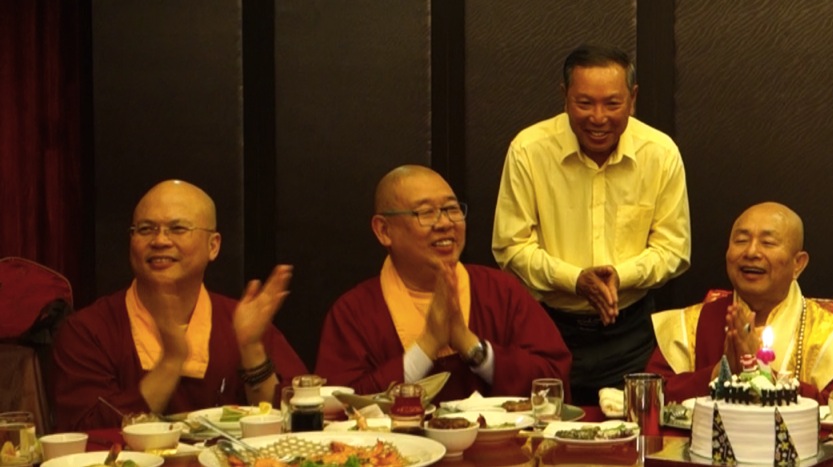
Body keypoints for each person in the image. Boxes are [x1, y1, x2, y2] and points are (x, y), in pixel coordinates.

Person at [492, 44, 691, 403]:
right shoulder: (529, 150)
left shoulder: (660, 153)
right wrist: (574, 280)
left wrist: (620, 276)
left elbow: (674, 249)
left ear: (632, 99)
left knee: (634, 430)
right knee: (545, 431)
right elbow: (510, 247)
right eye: (584, 103)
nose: (598, 118)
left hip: (630, 333)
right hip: (547, 326)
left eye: (612, 104)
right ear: (564, 97)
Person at [53, 180, 306, 431]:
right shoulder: (89, 329)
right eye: (145, 229)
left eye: (178, 228)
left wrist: (251, 349)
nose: (160, 240)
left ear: (213, 246)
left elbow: (297, 419)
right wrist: (171, 362)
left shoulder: (239, 321)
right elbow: (85, 432)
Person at [316, 165, 571, 402]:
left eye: (452, 209)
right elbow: (339, 404)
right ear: (384, 230)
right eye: (426, 213)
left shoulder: (501, 291)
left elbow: (553, 381)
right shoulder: (354, 312)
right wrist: (428, 345)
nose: (446, 223)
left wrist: (471, 347)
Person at [645, 202, 833, 409]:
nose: (751, 252)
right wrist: (718, 374)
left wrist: (759, 374)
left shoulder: (832, 338)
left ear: (798, 264)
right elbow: (650, 397)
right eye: (741, 240)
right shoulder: (691, 324)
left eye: (768, 243)